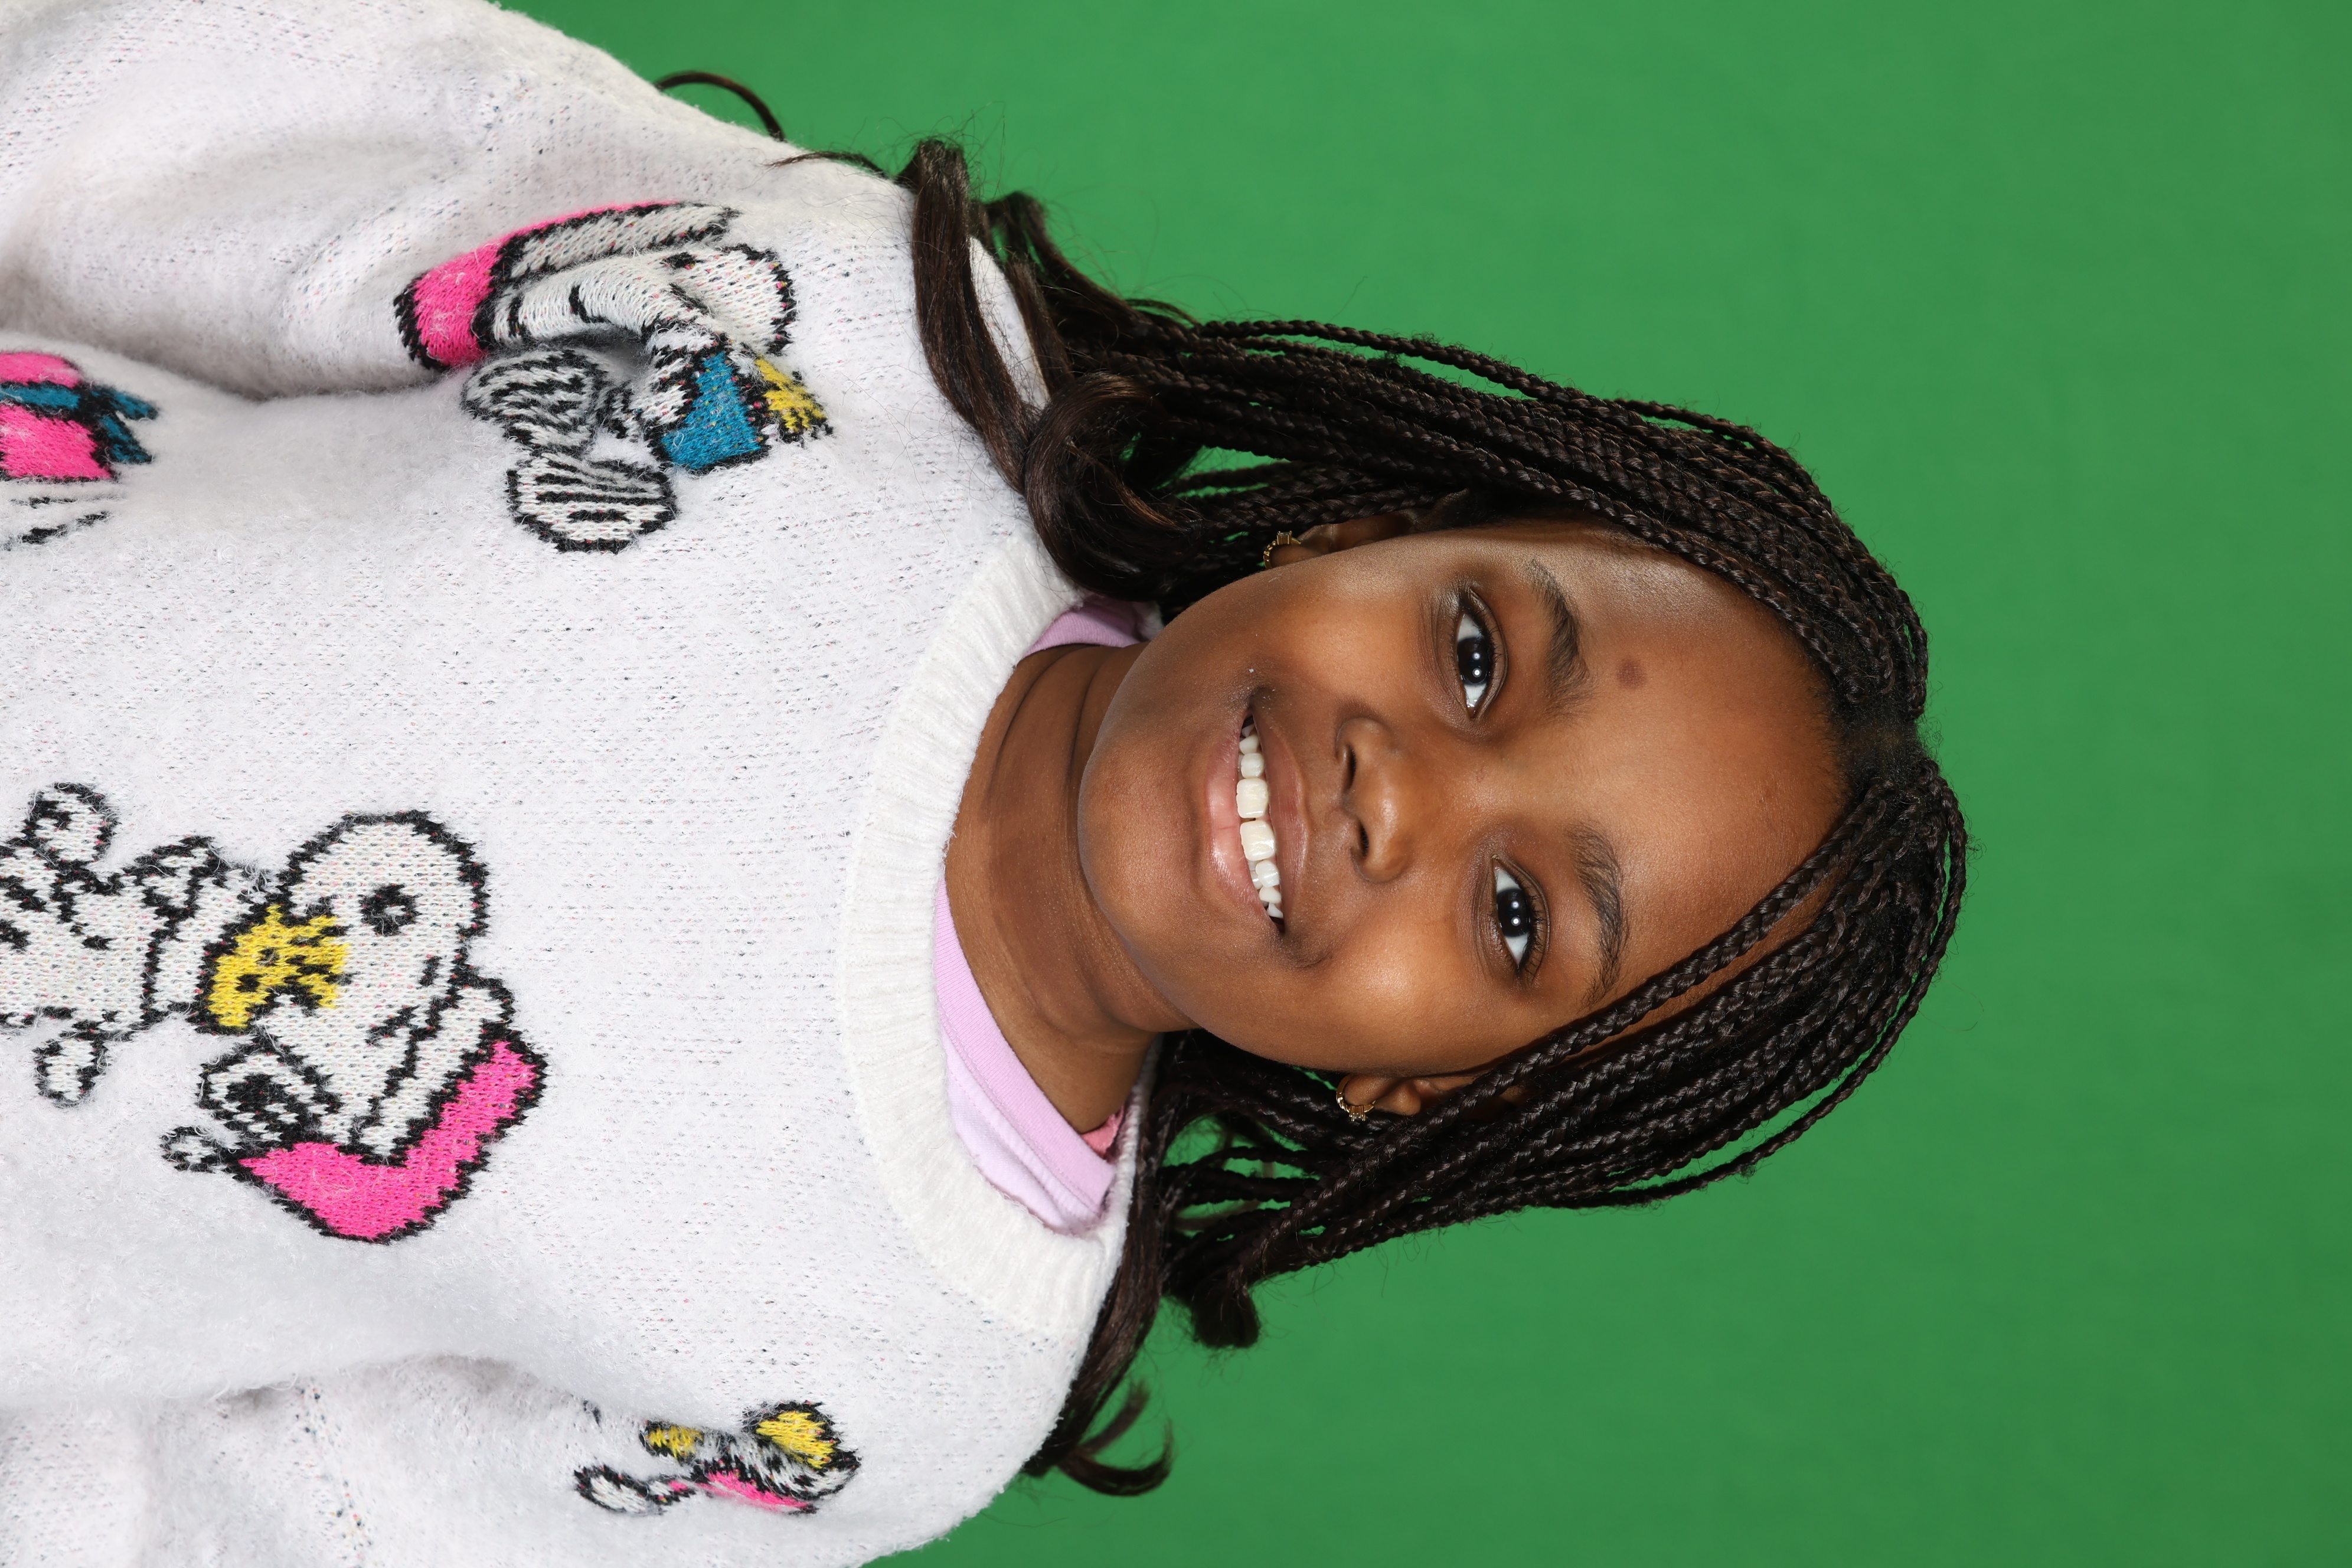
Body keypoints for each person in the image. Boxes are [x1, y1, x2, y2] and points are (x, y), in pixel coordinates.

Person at [0, 0, 1964, 1561]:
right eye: (1473, 655)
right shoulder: (851, 348)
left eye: (1517, 917)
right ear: (1367, 532)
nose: (1405, 796)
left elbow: (271, 1523)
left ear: (1432, 1090)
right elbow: (192, 144)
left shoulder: (896, 1383)